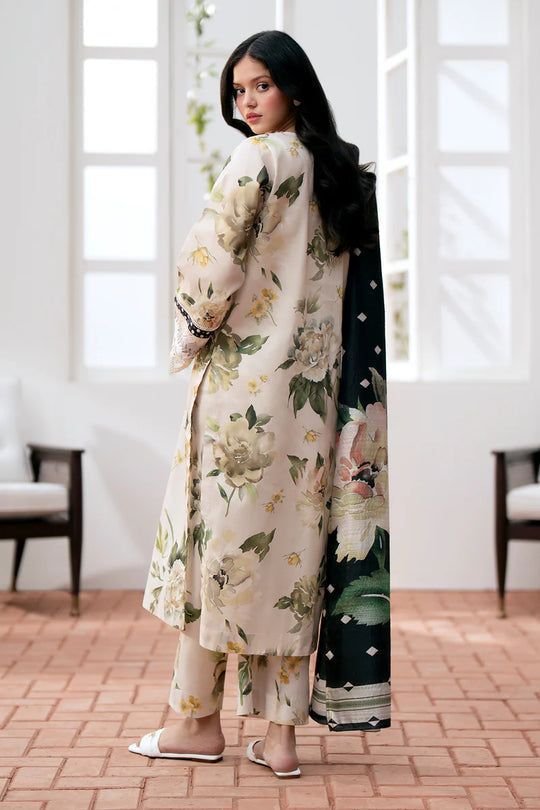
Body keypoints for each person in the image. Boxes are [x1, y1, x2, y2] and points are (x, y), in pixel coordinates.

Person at [129, 29, 389, 778]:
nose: (246, 102)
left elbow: (210, 263)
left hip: (241, 398)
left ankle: (196, 723)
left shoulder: (259, 159)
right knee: (291, 561)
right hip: (312, 405)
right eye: (238, 89)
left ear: (294, 89)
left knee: (217, 557)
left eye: (260, 86)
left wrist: (191, 332)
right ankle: (280, 740)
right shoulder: (340, 174)